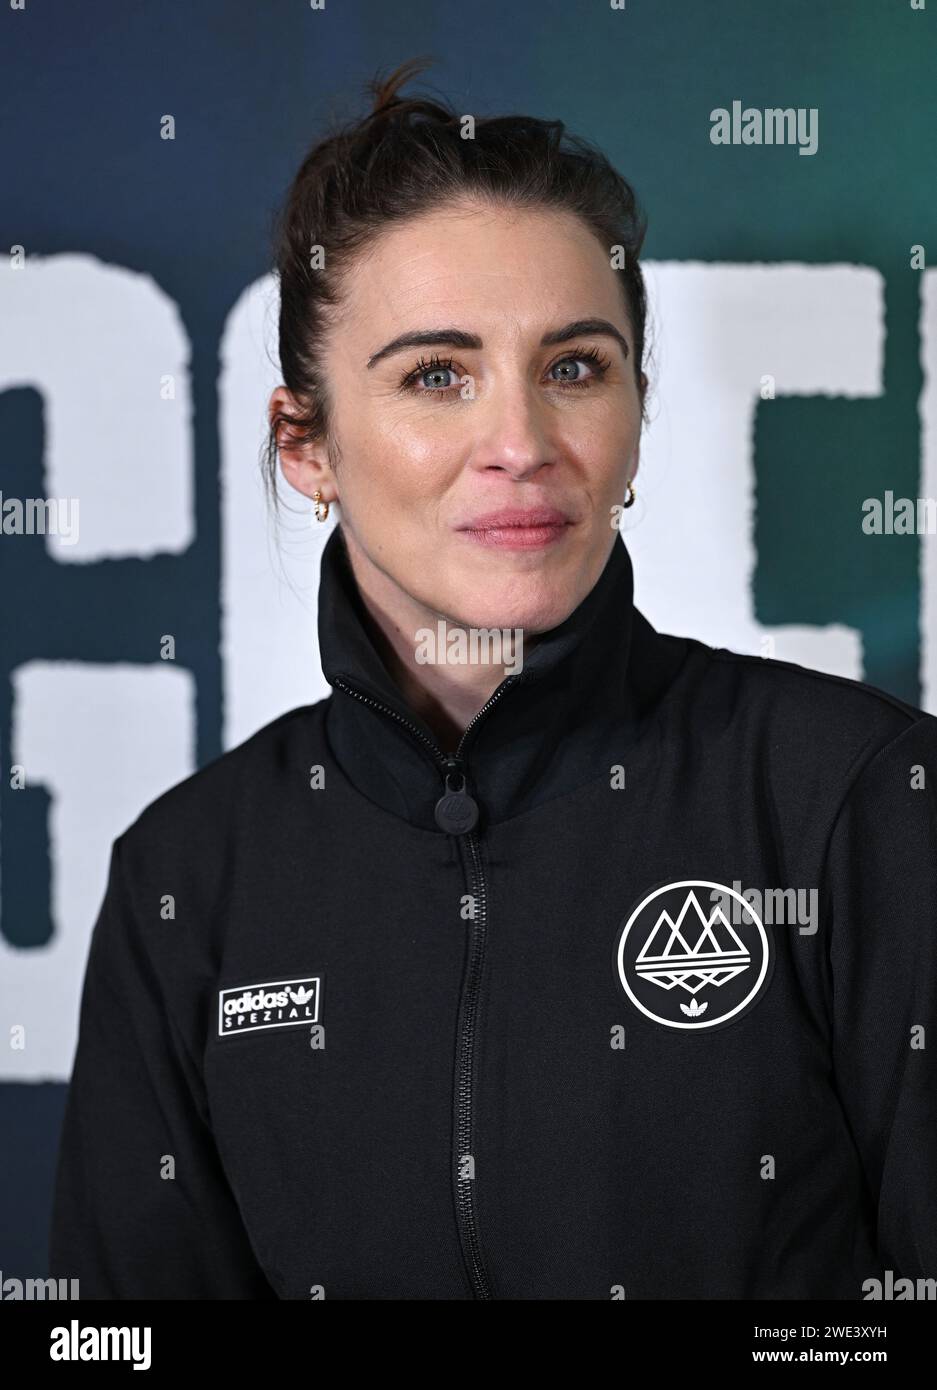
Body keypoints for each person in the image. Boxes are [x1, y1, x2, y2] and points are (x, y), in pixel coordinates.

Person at [49, 58, 937, 1300]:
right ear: (306, 444)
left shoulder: (852, 793)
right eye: (436, 376)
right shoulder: (188, 877)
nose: (519, 446)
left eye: (574, 366)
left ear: (636, 410)